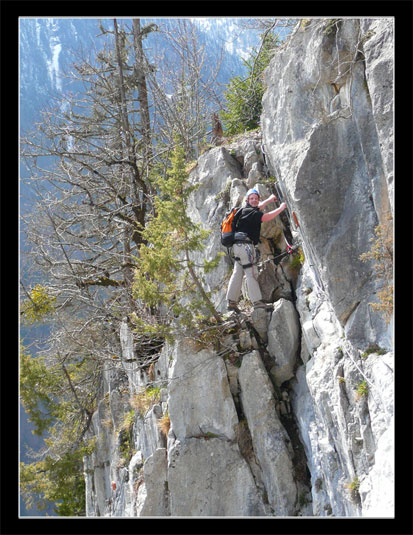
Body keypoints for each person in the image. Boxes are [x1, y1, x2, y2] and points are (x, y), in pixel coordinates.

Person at [226, 187, 286, 311]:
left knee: (238, 272)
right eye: (251, 198)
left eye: (256, 198)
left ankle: (231, 302)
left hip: (237, 247)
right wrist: (281, 208)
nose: (254, 200)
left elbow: (258, 208)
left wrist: (269, 200)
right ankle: (257, 302)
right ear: (247, 200)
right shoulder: (252, 212)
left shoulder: (245, 211)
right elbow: (265, 217)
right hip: (246, 246)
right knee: (251, 273)